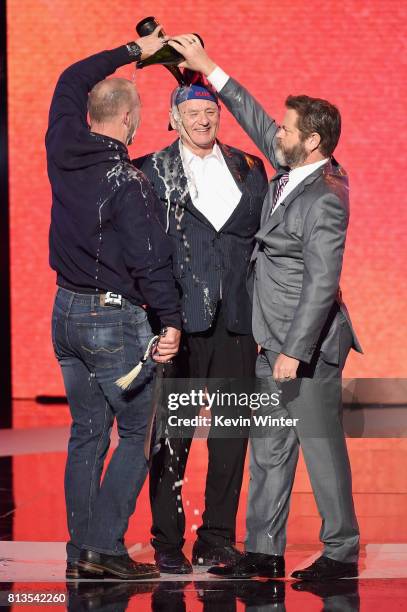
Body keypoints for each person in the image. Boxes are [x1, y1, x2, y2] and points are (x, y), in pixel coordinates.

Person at [168, 34, 363, 581]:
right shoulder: (291, 174)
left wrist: (294, 353)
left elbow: (323, 283)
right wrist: (210, 67)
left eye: (285, 128)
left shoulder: (324, 196)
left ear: (314, 141)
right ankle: (263, 548)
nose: (274, 131)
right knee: (269, 449)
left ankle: (341, 552)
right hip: (270, 342)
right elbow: (253, 116)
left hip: (306, 349)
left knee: (321, 453)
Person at [46, 27, 182, 580]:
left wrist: (133, 52)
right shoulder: (129, 181)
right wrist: (171, 322)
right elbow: (150, 264)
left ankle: (82, 553)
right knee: (133, 432)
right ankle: (105, 547)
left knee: (85, 433)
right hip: (113, 323)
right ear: (128, 121)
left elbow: (69, 78)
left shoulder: (62, 145)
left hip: (65, 314)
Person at [133, 80, 268, 573]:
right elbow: (141, 251)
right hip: (179, 327)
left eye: (209, 111)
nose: (202, 119)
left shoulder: (250, 168)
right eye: (191, 112)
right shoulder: (150, 170)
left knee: (231, 437)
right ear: (173, 118)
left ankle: (216, 537)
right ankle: (166, 540)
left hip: (237, 322)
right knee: (174, 435)